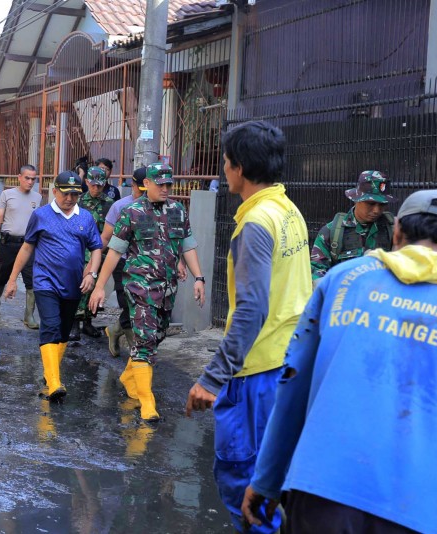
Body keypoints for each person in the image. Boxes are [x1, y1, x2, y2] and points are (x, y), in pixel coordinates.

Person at [241, 189, 437, 533]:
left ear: (397, 231)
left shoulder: (343, 280)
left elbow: (293, 385)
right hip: (425, 512)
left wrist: (267, 479)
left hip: (321, 494)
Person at [184, 121, 311, 533]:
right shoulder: (288, 211)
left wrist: (213, 377)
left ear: (238, 167)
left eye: (225, 162)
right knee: (274, 479)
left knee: (245, 483)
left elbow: (252, 308)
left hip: (257, 372)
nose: (223, 170)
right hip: (288, 360)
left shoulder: (256, 222)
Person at [90, 163, 206, 422]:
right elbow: (115, 251)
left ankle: (129, 376)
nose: (165, 189)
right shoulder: (131, 212)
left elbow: (187, 246)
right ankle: (147, 402)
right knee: (144, 341)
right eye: (160, 184)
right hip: (139, 286)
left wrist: (198, 277)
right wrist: (99, 286)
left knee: (156, 336)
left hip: (167, 288)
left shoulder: (177, 210)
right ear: (147, 184)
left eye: (169, 184)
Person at [5, 171, 102, 402]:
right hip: (45, 281)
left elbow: (96, 248)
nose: (69, 199)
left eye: (75, 195)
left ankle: (50, 376)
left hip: (74, 284)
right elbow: (27, 247)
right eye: (65, 194)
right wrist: (12, 279)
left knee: (63, 332)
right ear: (55, 191)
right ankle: (55, 382)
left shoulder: (85, 217)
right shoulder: (41, 215)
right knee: (50, 326)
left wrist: (92, 274)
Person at [310, 170, 395, 282]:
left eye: (382, 204)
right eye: (371, 203)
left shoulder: (392, 229)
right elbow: (317, 272)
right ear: (356, 199)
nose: (376, 210)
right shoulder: (331, 232)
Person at [100, 167, 147, 357]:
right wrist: (92, 263)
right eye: (140, 190)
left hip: (146, 264)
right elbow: (105, 237)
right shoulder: (120, 206)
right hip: (122, 261)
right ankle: (135, 350)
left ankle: (115, 330)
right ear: (132, 185)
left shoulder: (158, 207)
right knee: (127, 303)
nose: (142, 195)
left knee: (141, 304)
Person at [0, 164, 43, 328]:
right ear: (19, 177)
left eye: (33, 179)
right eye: (27, 178)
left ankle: (29, 315)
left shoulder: (38, 197)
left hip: (28, 244)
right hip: (8, 242)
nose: (30, 182)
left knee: (31, 278)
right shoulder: (7, 194)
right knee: (1, 274)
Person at [70, 166, 114, 340]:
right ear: (87, 182)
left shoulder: (109, 205)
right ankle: (74, 323)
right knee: (79, 286)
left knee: (94, 288)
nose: (96, 188)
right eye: (93, 184)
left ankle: (88, 322)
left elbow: (110, 233)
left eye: (100, 185)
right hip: (80, 252)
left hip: (100, 252)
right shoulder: (78, 202)